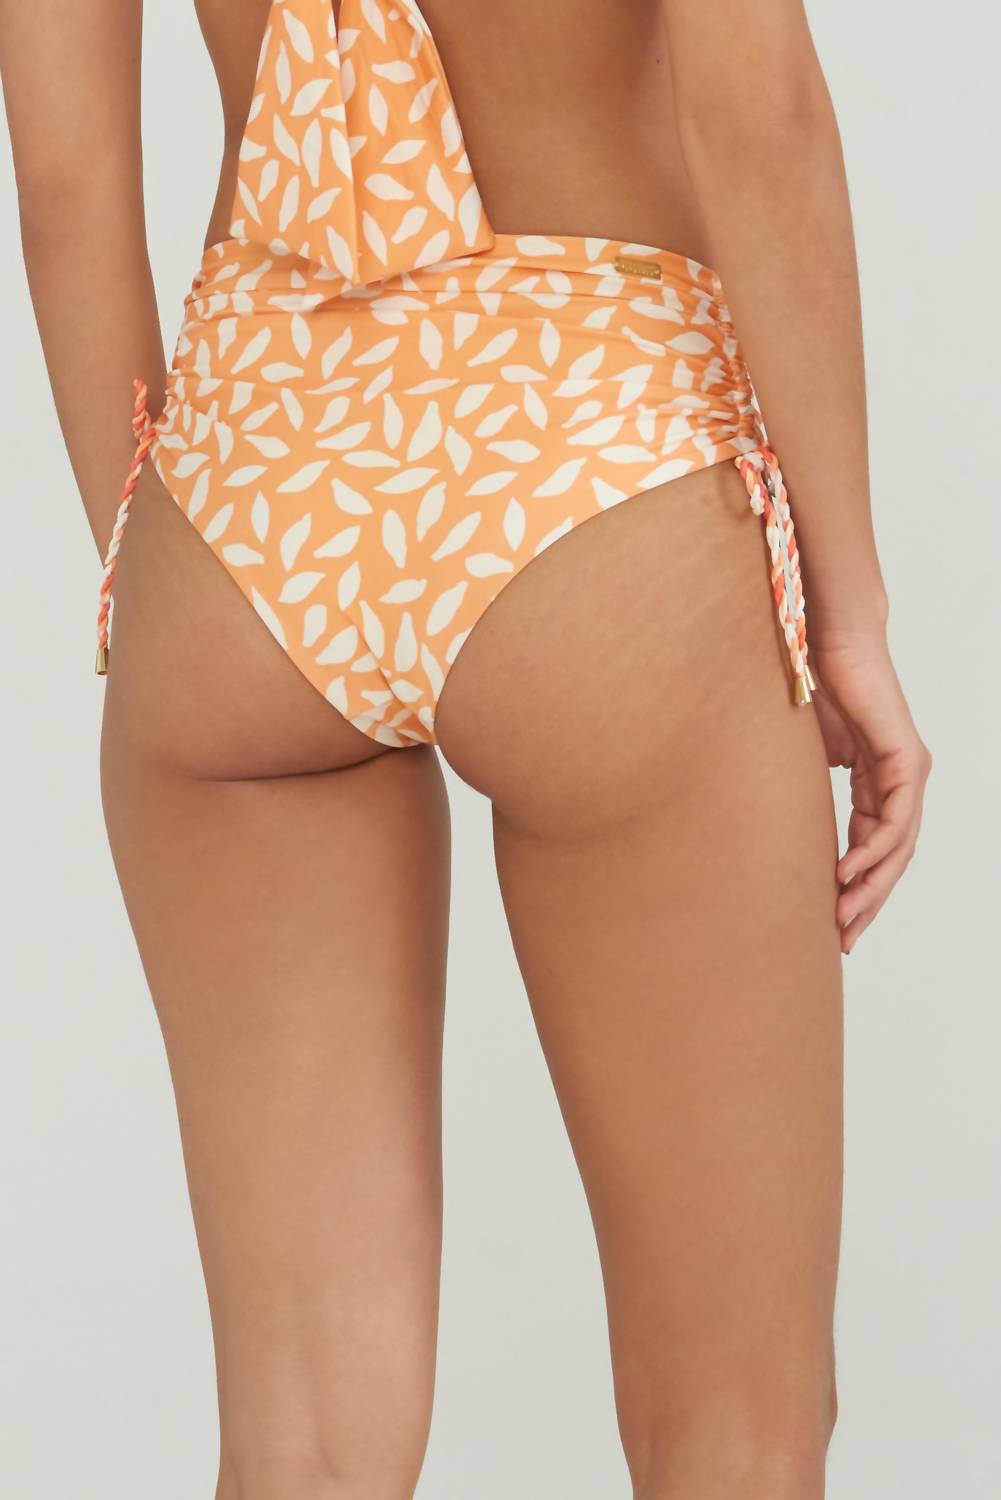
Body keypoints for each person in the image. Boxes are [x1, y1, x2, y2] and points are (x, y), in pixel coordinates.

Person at [1, 1, 930, 1496]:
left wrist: (161, 555)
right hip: (596, 452)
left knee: (303, 1453)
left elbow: (62, 173)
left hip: (246, 480)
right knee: (734, 1421)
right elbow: (760, 120)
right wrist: (850, 613)